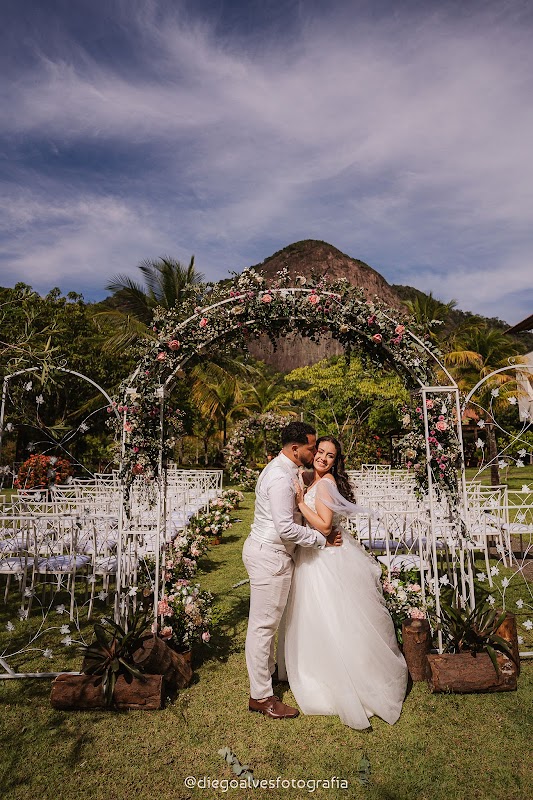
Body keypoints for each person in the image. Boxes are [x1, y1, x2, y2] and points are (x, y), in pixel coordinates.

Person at [281, 435, 408, 729]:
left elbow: (325, 526)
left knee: (330, 616)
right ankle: (319, 669)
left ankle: (337, 677)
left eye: (330, 456)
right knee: (320, 616)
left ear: (337, 462)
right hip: (316, 554)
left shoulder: (325, 484)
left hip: (324, 558)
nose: (323, 458)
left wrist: (301, 502)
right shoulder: (314, 477)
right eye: (321, 452)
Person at [242, 421, 342, 720]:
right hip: (269, 556)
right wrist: (320, 540)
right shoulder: (279, 477)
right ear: (296, 448)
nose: (315, 453)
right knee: (262, 628)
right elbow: (285, 527)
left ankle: (269, 675)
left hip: (275, 555)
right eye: (312, 447)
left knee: (269, 624)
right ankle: (261, 697)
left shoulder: (289, 470)